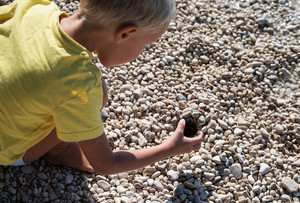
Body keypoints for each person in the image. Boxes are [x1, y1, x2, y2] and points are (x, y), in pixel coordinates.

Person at [0, 0, 203, 174]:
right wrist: (169, 148)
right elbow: (106, 164)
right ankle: (60, 151)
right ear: (125, 34)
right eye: (146, 44)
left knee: (96, 92)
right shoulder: (78, 85)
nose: (142, 51)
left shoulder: (36, 8)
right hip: (7, 149)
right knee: (97, 96)